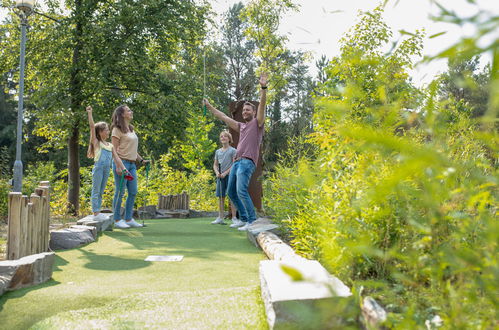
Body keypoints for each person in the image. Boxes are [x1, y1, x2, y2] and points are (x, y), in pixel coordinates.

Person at [203, 73, 268, 231]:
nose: (245, 112)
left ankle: (251, 220)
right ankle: (243, 219)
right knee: (231, 192)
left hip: (247, 162)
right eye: (244, 110)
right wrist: (209, 106)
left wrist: (263, 88)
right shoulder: (241, 126)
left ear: (253, 112)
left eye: (248, 110)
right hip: (237, 162)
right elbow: (223, 117)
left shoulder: (257, 124)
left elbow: (262, 106)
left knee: (241, 190)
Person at [110, 104, 149, 229]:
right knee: (120, 192)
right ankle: (116, 219)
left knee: (133, 192)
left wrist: (141, 160)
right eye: (128, 110)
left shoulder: (131, 129)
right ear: (122, 114)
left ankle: (128, 218)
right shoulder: (116, 129)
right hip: (121, 163)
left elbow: (132, 149)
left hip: (132, 164)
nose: (131, 111)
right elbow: (114, 150)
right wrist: (118, 165)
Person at [86, 106, 125, 221]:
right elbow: (92, 127)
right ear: (100, 132)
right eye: (107, 130)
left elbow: (117, 158)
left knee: (101, 190)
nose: (108, 131)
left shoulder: (110, 145)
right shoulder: (96, 142)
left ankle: (98, 211)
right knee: (96, 190)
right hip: (98, 168)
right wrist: (90, 113)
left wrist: (123, 168)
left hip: (106, 169)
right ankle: (96, 213)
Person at [212, 130, 238, 225]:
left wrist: (226, 173)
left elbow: (234, 164)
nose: (223, 138)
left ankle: (234, 218)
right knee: (221, 197)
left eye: (225, 136)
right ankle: (220, 217)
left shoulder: (233, 151)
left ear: (229, 139)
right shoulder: (218, 152)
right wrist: (217, 172)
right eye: (221, 136)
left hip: (230, 176)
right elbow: (215, 165)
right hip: (220, 177)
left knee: (231, 196)